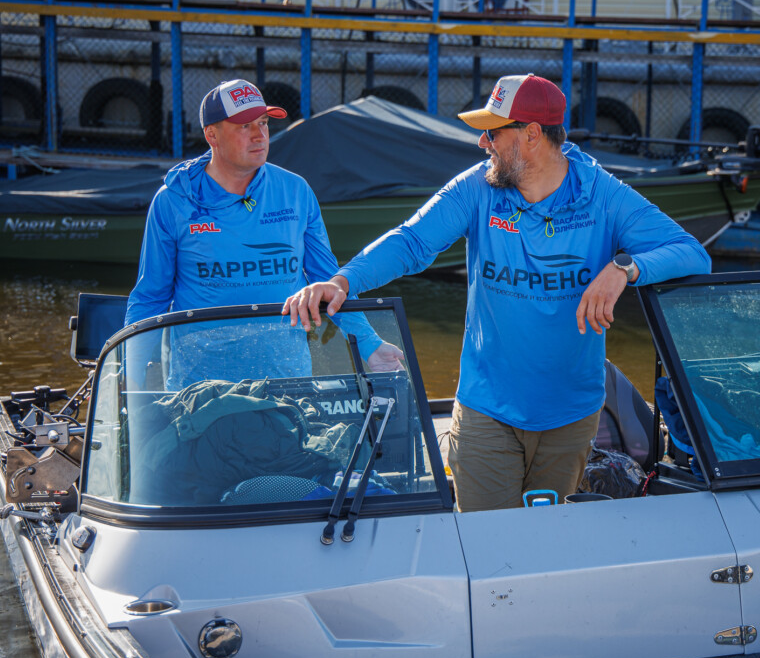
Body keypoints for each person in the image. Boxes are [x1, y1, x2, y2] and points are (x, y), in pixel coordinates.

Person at [283, 73, 711, 511]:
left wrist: (625, 268)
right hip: (487, 409)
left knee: (546, 541)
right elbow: (411, 242)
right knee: (483, 541)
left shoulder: (603, 194)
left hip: (570, 414)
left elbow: (692, 253)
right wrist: (343, 281)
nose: (482, 142)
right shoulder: (477, 187)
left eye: (493, 132)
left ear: (531, 135)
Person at [124, 78, 402, 387]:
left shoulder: (296, 191)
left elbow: (327, 279)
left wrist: (371, 346)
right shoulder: (173, 201)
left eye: (264, 123)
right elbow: (151, 297)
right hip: (200, 390)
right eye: (244, 126)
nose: (259, 135)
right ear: (212, 135)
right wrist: (128, 380)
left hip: (287, 386)